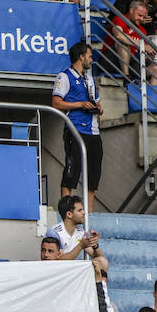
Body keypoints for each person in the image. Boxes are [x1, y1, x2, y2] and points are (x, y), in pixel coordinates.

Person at [53, 43, 103, 211]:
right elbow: (56, 103)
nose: (91, 59)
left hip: (94, 130)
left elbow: (97, 101)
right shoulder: (64, 76)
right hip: (75, 129)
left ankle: (89, 213)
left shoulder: (89, 79)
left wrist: (98, 107)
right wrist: (80, 104)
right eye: (89, 55)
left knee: (93, 174)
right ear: (81, 57)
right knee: (71, 171)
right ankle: (67, 210)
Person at [49, 194, 103, 259]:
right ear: (69, 214)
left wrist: (94, 244)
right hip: (60, 269)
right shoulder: (54, 233)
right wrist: (80, 246)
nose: (84, 212)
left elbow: (97, 257)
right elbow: (56, 260)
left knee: (102, 262)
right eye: (80, 210)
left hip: (75, 268)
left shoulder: (80, 231)